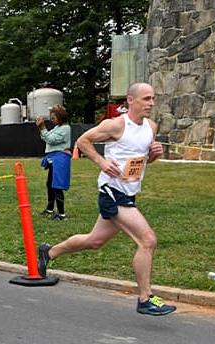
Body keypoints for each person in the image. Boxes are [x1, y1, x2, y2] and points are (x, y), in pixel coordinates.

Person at [37, 83, 176, 316]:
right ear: (131, 100)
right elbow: (83, 141)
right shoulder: (116, 125)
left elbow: (140, 161)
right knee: (147, 240)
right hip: (112, 192)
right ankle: (145, 298)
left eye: (153, 99)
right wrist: (101, 162)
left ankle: (48, 252)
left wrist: (152, 157)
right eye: (146, 99)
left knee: (94, 241)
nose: (151, 103)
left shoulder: (151, 127)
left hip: (129, 192)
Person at [37, 104, 72, 221]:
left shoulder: (65, 128)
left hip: (60, 159)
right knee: (50, 184)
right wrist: (41, 128)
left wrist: (42, 128)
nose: (52, 120)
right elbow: (46, 137)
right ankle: (50, 209)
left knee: (57, 186)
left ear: (61, 117)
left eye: (54, 117)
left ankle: (61, 214)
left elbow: (50, 139)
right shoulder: (58, 128)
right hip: (54, 158)